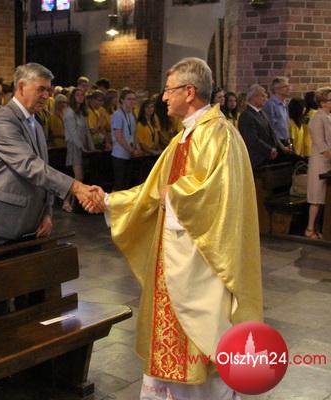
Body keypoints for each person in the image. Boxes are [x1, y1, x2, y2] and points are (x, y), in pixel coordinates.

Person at [84, 57, 262, 400]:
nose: (163, 97)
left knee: (202, 340)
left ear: (189, 91)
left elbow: (218, 196)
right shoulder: (185, 136)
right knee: (172, 338)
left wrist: (174, 195)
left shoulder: (219, 134)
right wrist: (107, 200)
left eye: (168, 90)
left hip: (201, 263)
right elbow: (152, 190)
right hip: (175, 259)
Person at [0, 63, 97, 240]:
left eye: (48, 90)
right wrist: (76, 187)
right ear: (21, 87)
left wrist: (47, 212)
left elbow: (43, 168)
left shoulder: (35, 124)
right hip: (4, 221)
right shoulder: (2, 120)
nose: (46, 96)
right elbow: (29, 165)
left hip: (33, 220)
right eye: (41, 89)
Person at [62, 87, 94, 212]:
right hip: (74, 146)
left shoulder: (81, 112)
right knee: (78, 176)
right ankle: (66, 201)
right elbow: (73, 133)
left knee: (80, 177)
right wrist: (82, 147)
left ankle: (74, 202)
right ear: (73, 97)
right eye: (78, 95)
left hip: (83, 145)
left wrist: (91, 146)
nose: (80, 97)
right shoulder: (69, 112)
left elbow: (86, 131)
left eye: (82, 95)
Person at [305, 87, 331, 240]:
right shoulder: (317, 118)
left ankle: (320, 228)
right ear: (322, 103)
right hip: (320, 162)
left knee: (324, 198)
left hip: (328, 161)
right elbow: (321, 144)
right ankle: (309, 229)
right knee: (316, 197)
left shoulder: (328, 117)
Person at [237, 84, 278, 169]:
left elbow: (271, 132)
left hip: (267, 157)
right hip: (256, 160)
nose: (266, 98)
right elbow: (252, 139)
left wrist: (274, 148)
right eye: (262, 96)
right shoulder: (246, 115)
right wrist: (269, 150)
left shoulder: (262, 113)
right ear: (253, 97)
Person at [110, 89, 141, 191]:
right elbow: (118, 136)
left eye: (134, 99)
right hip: (119, 154)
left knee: (126, 185)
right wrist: (132, 150)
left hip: (129, 154)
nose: (132, 101)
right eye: (129, 99)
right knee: (119, 184)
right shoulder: (117, 114)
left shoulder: (131, 114)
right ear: (122, 100)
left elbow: (134, 134)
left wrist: (137, 147)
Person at [263, 76, 292, 152]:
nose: (289, 88)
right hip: (276, 143)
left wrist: (289, 142)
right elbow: (271, 128)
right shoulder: (271, 105)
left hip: (285, 142)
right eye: (285, 86)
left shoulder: (284, 103)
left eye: (289, 86)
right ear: (277, 89)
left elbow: (285, 125)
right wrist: (281, 146)